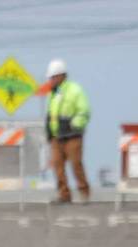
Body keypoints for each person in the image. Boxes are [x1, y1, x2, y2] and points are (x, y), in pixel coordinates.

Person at [45, 58, 91, 204]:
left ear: (61, 75)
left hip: (72, 135)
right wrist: (49, 131)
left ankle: (84, 192)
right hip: (57, 136)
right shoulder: (53, 93)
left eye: (53, 77)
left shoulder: (74, 90)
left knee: (76, 164)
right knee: (57, 165)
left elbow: (84, 111)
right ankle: (64, 194)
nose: (51, 80)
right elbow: (51, 114)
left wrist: (74, 125)